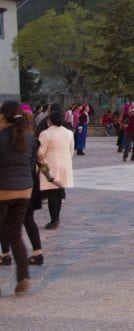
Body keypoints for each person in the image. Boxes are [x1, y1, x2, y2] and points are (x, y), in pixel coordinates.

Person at [0, 100, 40, 295]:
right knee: (15, 234)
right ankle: (23, 277)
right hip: (25, 190)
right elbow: (32, 162)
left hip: (4, 189)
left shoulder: (2, 137)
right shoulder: (30, 138)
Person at [37, 106, 74, 230]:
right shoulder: (69, 133)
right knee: (59, 193)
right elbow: (71, 150)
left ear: (50, 121)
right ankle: (56, 218)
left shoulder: (46, 133)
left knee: (52, 192)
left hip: (50, 165)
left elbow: (40, 153)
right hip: (65, 164)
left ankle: (54, 220)